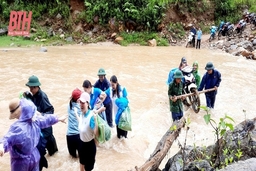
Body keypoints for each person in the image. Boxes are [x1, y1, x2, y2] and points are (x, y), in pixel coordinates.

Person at [0, 98, 66, 171]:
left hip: (21, 162)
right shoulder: (34, 121)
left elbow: (7, 138)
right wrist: (58, 119)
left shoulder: (17, 127)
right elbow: (46, 119)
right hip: (34, 157)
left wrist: (2, 146)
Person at [23, 75, 58, 170]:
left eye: (31, 88)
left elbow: (51, 110)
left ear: (36, 87)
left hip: (46, 131)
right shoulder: (34, 95)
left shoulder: (42, 97)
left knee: (53, 154)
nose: (30, 89)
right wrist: (28, 96)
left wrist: (40, 115)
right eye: (29, 88)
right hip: (39, 129)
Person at [76, 92, 100, 171]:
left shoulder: (91, 117)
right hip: (81, 144)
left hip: (89, 147)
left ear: (88, 103)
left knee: (88, 169)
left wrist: (96, 120)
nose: (81, 104)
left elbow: (96, 133)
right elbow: (81, 123)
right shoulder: (82, 114)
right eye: (80, 102)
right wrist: (75, 113)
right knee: (81, 165)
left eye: (83, 103)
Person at [66, 88, 82, 158]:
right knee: (81, 159)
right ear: (78, 99)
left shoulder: (69, 106)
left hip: (69, 136)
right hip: (78, 136)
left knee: (72, 158)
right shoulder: (81, 108)